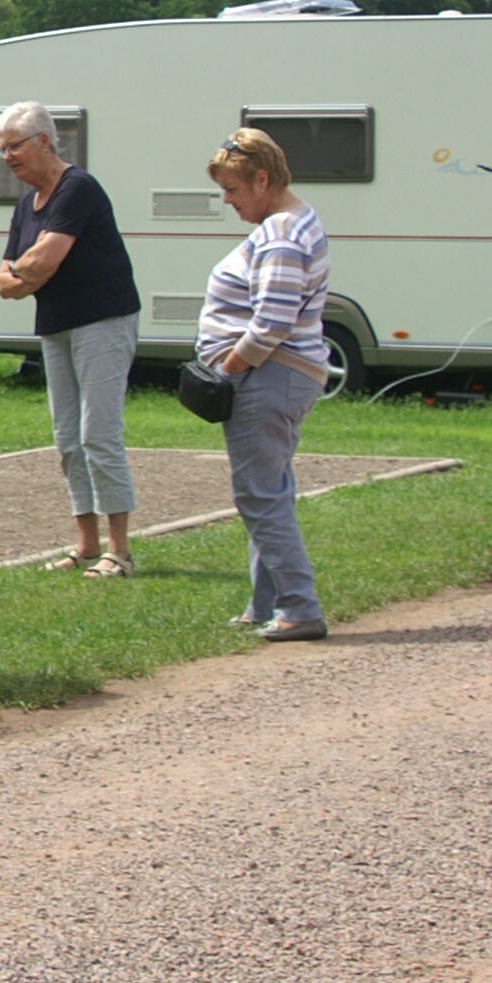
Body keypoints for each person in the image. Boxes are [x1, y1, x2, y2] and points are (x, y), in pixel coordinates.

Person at [0, 100, 144, 579]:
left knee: (99, 434)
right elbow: (5, 281)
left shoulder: (77, 188)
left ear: (44, 141)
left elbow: (43, 262)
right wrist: (28, 270)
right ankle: (87, 544)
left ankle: (120, 551)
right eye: (2, 149)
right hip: (56, 325)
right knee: (67, 439)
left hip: (103, 320)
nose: (7, 157)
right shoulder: (27, 205)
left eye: (14, 146)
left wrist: (28, 269)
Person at [203, 127, 334, 641]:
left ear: (262, 180)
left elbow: (272, 323)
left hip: (269, 375)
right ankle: (265, 605)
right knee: (270, 490)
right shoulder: (297, 222)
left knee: (260, 495)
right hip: (285, 375)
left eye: (232, 189)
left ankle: (299, 606)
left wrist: (229, 369)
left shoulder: (281, 235)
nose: (228, 201)